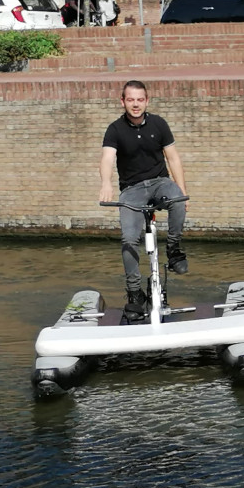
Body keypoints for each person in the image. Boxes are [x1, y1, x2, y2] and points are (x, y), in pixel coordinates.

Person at [99, 80, 190, 321]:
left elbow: (173, 159)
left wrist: (181, 189)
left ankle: (174, 250)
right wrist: (106, 182)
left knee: (178, 199)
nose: (136, 104)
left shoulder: (159, 124)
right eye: (131, 100)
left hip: (160, 182)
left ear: (147, 101)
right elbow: (108, 158)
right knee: (129, 238)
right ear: (123, 101)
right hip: (132, 189)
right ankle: (134, 294)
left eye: (140, 99)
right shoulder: (115, 129)